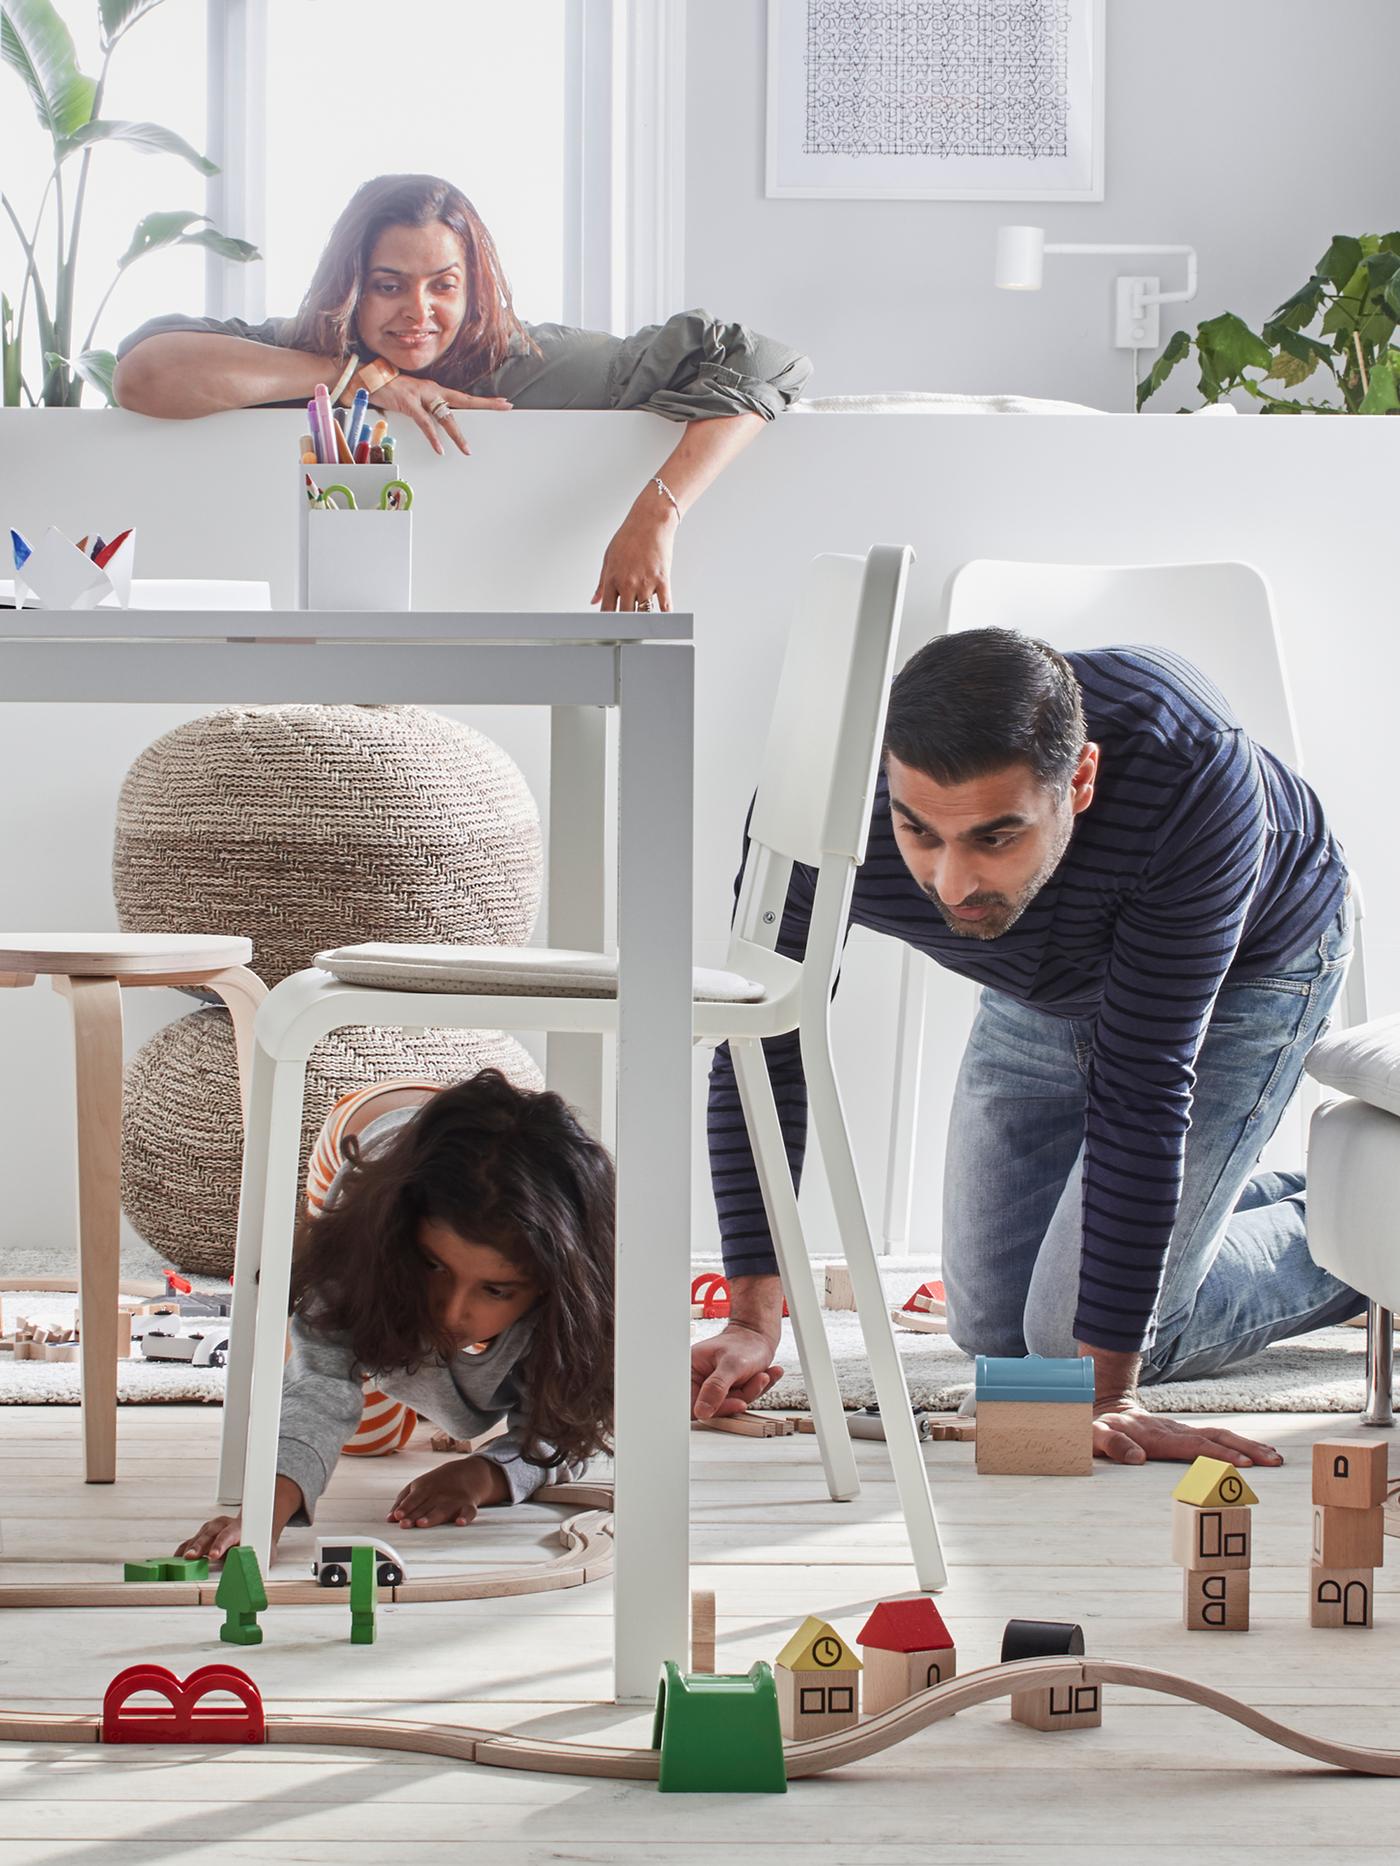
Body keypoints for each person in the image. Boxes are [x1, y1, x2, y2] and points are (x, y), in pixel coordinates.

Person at [696, 629, 1361, 1467]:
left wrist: (1108, 1394)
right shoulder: (816, 801)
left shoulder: (1192, 775)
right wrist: (753, 1322)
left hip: (1246, 969)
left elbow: (1143, 1093)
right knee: (993, 1334)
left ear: (1078, 780)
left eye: (994, 838)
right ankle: (1297, 1198)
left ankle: (1379, 1227)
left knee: (1066, 1351)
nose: (952, 884)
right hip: (1037, 987)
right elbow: (764, 1042)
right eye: (919, 833)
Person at [112, 173, 811, 613]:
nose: (418, 312)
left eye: (442, 285)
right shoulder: (303, 349)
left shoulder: (527, 361)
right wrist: (360, 379)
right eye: (389, 285)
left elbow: (765, 361)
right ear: (350, 286)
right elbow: (144, 373)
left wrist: (657, 513)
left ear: (471, 283)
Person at [177, 1069, 615, 1562]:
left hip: (478, 1158)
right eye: (434, 1265)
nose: (452, 1313)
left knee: (433, 1393)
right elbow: (320, 1387)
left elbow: (568, 1436)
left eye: (495, 1289)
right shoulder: (367, 1242)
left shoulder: (583, 1293)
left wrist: (485, 1474)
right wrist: (263, 1514)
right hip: (362, 1142)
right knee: (371, 1436)